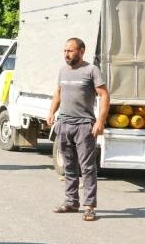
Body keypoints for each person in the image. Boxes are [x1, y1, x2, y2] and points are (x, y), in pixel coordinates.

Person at [47, 37, 109, 221]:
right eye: (65, 51)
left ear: (81, 51)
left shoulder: (91, 70)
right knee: (68, 166)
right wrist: (51, 112)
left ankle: (89, 206)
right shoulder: (63, 71)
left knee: (87, 167)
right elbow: (58, 92)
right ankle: (71, 202)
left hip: (84, 125)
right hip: (64, 123)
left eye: (70, 51)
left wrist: (100, 121)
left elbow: (104, 95)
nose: (66, 54)